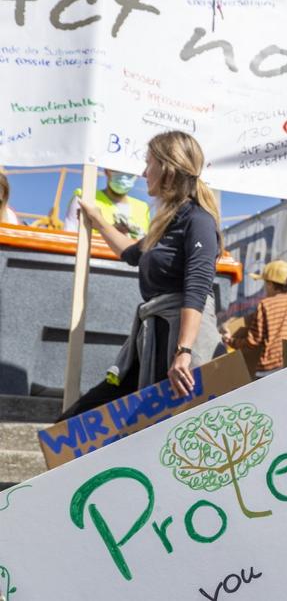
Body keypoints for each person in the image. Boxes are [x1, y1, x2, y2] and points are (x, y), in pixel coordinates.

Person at [61, 131, 224, 416]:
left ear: (168, 170)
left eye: (149, 163)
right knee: (77, 420)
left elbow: (198, 287)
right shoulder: (165, 224)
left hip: (178, 344)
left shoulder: (198, 220)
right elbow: (131, 253)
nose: (143, 172)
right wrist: (97, 220)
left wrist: (184, 351)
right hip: (152, 339)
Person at [223, 260, 287, 379]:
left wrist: (230, 340)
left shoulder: (265, 305)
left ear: (270, 284)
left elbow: (253, 342)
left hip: (271, 367)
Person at [64, 169, 150, 238]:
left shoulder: (143, 208)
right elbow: (70, 238)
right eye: (117, 169)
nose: (123, 175)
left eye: (129, 171)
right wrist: (110, 233)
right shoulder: (84, 197)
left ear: (138, 174)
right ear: (106, 171)